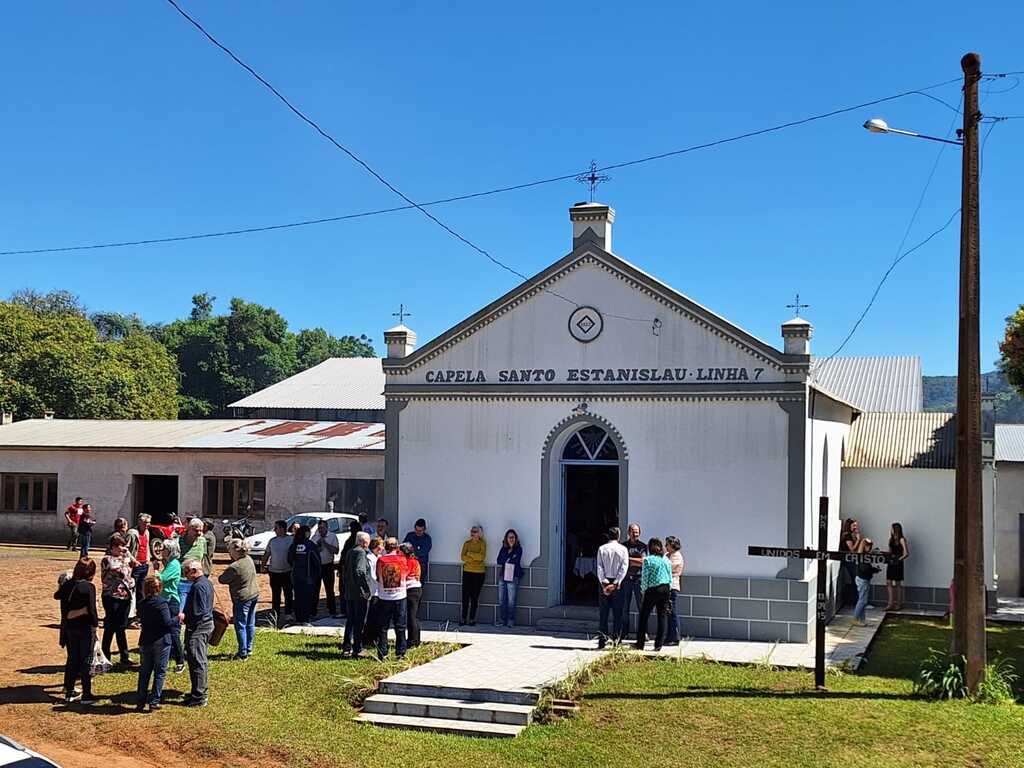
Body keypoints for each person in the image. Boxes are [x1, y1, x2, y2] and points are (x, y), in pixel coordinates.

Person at [54, 557, 98, 704]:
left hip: (70, 628)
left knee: (72, 659)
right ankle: (86, 694)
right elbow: (92, 610)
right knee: (86, 659)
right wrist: (95, 625)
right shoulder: (89, 588)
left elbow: (57, 595)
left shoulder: (67, 586)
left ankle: (69, 691)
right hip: (85, 628)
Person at [135, 574, 176, 712]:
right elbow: (167, 622)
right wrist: (178, 618)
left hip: (146, 639)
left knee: (145, 671)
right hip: (161, 640)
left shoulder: (142, 604)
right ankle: (154, 701)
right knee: (160, 671)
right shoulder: (162, 603)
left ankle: (140, 700)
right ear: (159, 589)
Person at [180, 559, 213, 707]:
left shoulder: (199, 586)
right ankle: (197, 691)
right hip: (202, 626)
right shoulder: (205, 582)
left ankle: (199, 696)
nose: (185, 576)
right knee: (197, 660)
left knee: (197, 661)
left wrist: (186, 617)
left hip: (199, 628)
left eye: (186, 572)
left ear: (194, 571)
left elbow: (199, 611)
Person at [101, 533, 138, 666]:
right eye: (120, 546)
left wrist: (129, 556)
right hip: (112, 597)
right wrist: (126, 558)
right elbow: (120, 571)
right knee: (110, 627)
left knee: (121, 627)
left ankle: (124, 656)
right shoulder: (108, 559)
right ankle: (105, 656)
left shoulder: (124, 558)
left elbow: (134, 566)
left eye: (123, 546)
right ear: (112, 547)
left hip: (125, 596)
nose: (122, 549)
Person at [219, 538, 259, 659]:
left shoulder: (235, 566)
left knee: (240, 624)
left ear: (235, 550)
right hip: (254, 594)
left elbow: (222, 579)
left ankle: (242, 653)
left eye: (230, 549)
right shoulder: (249, 559)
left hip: (242, 598)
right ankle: (249, 648)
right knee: (250, 623)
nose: (229, 552)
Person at [634, 538, 673, 651]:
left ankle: (640, 643)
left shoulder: (648, 560)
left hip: (653, 589)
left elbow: (645, 578)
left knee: (644, 616)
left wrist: (643, 590)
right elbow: (670, 576)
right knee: (662, 616)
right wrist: (669, 589)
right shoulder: (666, 560)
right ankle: (658, 644)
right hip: (665, 588)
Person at [375, 537, 408, 660]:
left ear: (386, 547)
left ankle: (382, 653)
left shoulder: (381, 560)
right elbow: (405, 574)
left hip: (384, 597)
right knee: (400, 626)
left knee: (383, 626)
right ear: (397, 547)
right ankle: (400, 653)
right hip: (400, 596)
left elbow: (378, 576)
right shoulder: (403, 559)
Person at [596, 527, 628, 648]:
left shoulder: (602, 548)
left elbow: (599, 567)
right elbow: (624, 568)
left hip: (604, 581)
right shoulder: (623, 549)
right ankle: (616, 640)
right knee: (617, 613)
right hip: (617, 583)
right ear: (618, 536)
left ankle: (602, 640)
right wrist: (615, 583)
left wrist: (604, 582)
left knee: (603, 613)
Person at [157, 539, 186, 674]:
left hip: (171, 602)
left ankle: (180, 660)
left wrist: (156, 570)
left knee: (174, 631)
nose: (161, 551)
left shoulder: (174, 565)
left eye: (164, 549)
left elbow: (161, 579)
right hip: (166, 600)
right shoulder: (169, 563)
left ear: (170, 551)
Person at [342, 532, 372, 657]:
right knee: (359, 621)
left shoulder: (350, 551)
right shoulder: (360, 552)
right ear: (364, 542)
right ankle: (357, 648)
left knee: (350, 620)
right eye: (368, 542)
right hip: (359, 593)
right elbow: (360, 571)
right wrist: (365, 589)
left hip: (350, 591)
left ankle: (347, 647)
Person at [263, 520, 294, 628]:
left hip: (287, 571)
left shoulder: (291, 540)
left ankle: (288, 613)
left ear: (282, 528)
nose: (275, 530)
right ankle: (275, 613)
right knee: (275, 594)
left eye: (276, 528)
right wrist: (263, 565)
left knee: (288, 594)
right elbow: (267, 553)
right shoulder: (272, 541)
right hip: (274, 572)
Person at [288, 525, 321, 625]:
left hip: (296, 576)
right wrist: (317, 574)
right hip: (308, 577)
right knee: (307, 599)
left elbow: (289, 559)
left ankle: (299, 619)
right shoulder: (311, 545)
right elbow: (317, 561)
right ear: (307, 533)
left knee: (298, 598)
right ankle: (305, 620)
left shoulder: (294, 544)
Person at [620, 523, 647, 640]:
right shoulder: (623, 546)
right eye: (632, 531)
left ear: (639, 533)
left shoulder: (643, 546)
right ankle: (624, 632)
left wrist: (628, 560)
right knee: (624, 607)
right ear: (628, 532)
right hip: (626, 580)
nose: (635, 534)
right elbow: (621, 562)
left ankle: (642, 632)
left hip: (639, 580)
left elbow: (643, 562)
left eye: (637, 531)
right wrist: (635, 560)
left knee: (642, 607)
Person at [310, 519, 340, 618]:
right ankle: (313, 611)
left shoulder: (332, 536)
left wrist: (325, 543)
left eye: (322, 528)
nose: (321, 530)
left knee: (329, 589)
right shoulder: (315, 537)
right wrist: (318, 546)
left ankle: (332, 610)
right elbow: (311, 550)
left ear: (327, 528)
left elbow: (336, 551)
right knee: (315, 589)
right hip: (317, 566)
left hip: (328, 565)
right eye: (319, 528)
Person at [495, 529, 523, 628]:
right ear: (506, 539)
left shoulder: (518, 549)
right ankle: (502, 620)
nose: (511, 539)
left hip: (513, 576)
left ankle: (511, 620)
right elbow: (499, 560)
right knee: (502, 600)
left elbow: (515, 560)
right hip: (503, 576)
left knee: (511, 600)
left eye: (513, 537)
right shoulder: (503, 549)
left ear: (515, 539)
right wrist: (509, 558)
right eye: (509, 537)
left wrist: (507, 559)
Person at [459, 526, 486, 626]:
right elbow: (462, 557)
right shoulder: (467, 543)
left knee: (475, 596)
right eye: (472, 531)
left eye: (475, 531)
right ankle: (463, 618)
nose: (472, 533)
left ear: (479, 534)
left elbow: (482, 557)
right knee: (465, 596)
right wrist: (474, 557)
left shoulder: (482, 544)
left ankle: (472, 618)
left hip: (479, 573)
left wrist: (470, 554)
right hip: (467, 571)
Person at [126, 514, 152, 616]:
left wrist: (148, 558)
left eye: (149, 523)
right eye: (146, 523)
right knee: (132, 588)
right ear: (140, 522)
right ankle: (129, 613)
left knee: (142, 590)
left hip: (144, 564)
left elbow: (147, 546)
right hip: (135, 565)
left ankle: (140, 613)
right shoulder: (132, 533)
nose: (148, 525)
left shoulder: (147, 533)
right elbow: (126, 549)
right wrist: (133, 560)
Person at [400, 542, 422, 646]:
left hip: (410, 589)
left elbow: (404, 574)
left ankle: (413, 641)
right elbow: (418, 575)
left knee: (411, 616)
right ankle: (416, 639)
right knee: (414, 615)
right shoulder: (416, 561)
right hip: (416, 588)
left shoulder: (407, 561)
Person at [853, 538, 879, 626]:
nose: (871, 548)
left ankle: (862, 620)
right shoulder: (863, 557)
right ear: (865, 547)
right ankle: (855, 619)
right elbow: (865, 569)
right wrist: (874, 570)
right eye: (870, 547)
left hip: (862, 578)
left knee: (862, 600)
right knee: (862, 601)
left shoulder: (862, 555)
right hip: (863, 579)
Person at [664, 536, 685, 646]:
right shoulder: (668, 555)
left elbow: (667, 567)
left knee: (672, 612)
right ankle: (669, 636)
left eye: (667, 544)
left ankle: (675, 637)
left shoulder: (676, 556)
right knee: (668, 612)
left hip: (672, 586)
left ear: (673, 545)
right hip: (666, 586)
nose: (665, 546)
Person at [885, 523, 911, 611]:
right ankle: (890, 603)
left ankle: (899, 603)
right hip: (891, 562)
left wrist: (899, 559)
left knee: (898, 583)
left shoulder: (902, 539)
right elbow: (889, 551)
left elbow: (906, 553)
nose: (891, 530)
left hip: (898, 563)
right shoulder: (891, 540)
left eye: (892, 529)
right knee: (888, 582)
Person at [403, 518, 433, 583]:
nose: (418, 532)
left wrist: (412, 553)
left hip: (421, 565)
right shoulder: (410, 536)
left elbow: (424, 552)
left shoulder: (427, 539)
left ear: (424, 529)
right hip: (408, 564)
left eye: (420, 531)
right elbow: (403, 547)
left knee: (419, 584)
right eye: (416, 530)